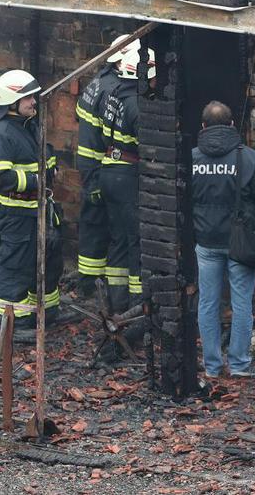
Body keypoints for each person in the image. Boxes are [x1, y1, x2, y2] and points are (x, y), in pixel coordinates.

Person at [190, 100, 255, 378]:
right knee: (241, 303)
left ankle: (213, 366)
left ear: (203, 127)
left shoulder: (191, 159)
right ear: (231, 125)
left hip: (205, 241)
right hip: (240, 243)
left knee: (207, 303)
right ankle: (239, 364)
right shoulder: (249, 158)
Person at [0, 69, 63, 336]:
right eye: (28, 98)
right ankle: (16, 325)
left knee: (48, 260)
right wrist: (38, 180)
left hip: (39, 210)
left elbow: (43, 157)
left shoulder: (30, 125)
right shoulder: (0, 134)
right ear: (11, 102)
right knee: (17, 266)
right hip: (16, 213)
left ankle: (47, 312)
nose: (33, 102)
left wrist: (51, 171)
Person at [73, 35, 133, 298]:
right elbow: (95, 142)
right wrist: (94, 179)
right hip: (103, 168)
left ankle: (90, 284)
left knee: (94, 226)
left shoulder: (97, 83)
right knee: (114, 231)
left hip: (96, 170)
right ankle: (97, 289)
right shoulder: (113, 90)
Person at [98, 41, 154, 316]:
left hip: (108, 169)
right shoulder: (137, 106)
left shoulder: (113, 95)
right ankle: (135, 304)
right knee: (136, 239)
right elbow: (148, 146)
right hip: (127, 174)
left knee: (118, 237)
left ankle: (115, 300)